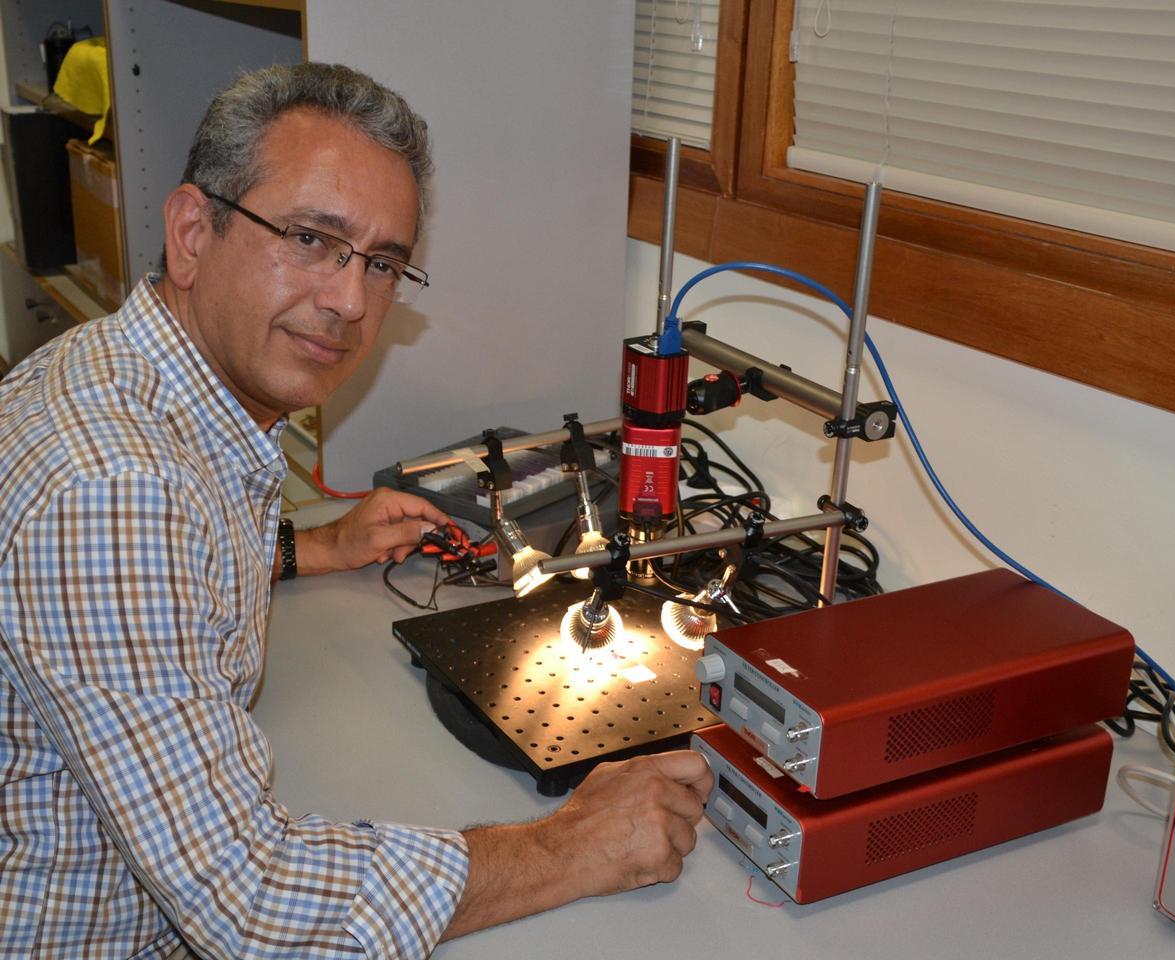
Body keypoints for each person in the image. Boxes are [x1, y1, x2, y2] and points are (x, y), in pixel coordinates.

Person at [0, 63, 712, 958]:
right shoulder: (114, 490)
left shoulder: (119, 378)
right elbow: (253, 904)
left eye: (381, 264)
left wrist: (311, 548)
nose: (348, 301)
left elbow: (136, 586)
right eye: (309, 237)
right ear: (191, 232)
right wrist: (571, 845)